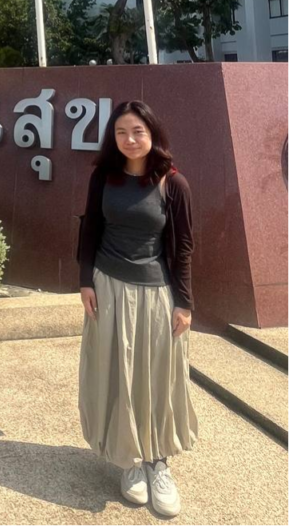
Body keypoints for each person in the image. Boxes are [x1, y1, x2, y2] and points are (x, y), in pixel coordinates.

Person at [77, 100, 197, 518]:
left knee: (157, 378)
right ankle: (128, 461)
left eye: (138, 132)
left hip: (156, 294)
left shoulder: (173, 183)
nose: (130, 140)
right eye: (122, 132)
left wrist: (184, 302)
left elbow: (183, 247)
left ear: (153, 134)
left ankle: (157, 461)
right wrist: (84, 280)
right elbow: (90, 226)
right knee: (117, 376)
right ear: (113, 137)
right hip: (108, 289)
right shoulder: (103, 178)